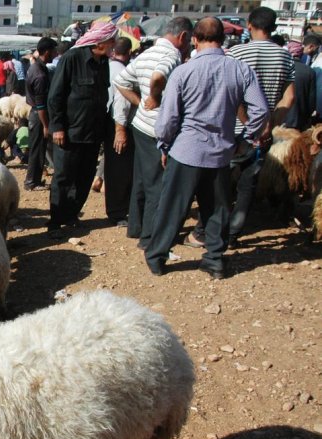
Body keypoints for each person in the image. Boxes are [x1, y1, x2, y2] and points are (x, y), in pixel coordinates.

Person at [144, 18, 269, 279]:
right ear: (222, 39)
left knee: (171, 208)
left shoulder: (183, 71)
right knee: (216, 210)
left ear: (194, 39)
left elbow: (167, 120)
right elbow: (261, 110)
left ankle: (157, 258)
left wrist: (164, 144)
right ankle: (214, 260)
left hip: (186, 151)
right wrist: (245, 139)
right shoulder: (240, 70)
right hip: (221, 153)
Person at [113, 17, 193, 249]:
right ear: (182, 37)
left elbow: (121, 82)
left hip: (140, 125)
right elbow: (158, 77)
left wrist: (139, 103)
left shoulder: (146, 54)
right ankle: (149, 237)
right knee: (157, 183)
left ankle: (136, 227)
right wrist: (154, 97)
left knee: (141, 179)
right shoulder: (171, 56)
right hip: (158, 128)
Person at [224, 7, 295, 248]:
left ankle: (215, 229)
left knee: (223, 180)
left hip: (233, 129)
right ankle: (234, 233)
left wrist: (249, 123)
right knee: (248, 182)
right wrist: (269, 124)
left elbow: (230, 95)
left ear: (249, 25)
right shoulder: (285, 56)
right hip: (263, 134)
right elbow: (289, 98)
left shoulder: (236, 52)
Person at [46, 22, 118, 235]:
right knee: (64, 176)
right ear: (100, 42)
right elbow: (55, 96)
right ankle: (56, 222)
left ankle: (71, 215)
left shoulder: (103, 61)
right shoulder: (72, 58)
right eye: (111, 40)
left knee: (85, 177)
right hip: (70, 132)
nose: (114, 44)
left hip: (93, 132)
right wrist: (57, 127)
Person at [104, 36, 135, 227]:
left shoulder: (105, 66)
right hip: (119, 123)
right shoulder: (124, 72)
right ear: (129, 52)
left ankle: (117, 208)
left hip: (108, 120)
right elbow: (121, 102)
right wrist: (120, 130)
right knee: (120, 168)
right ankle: (118, 211)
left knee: (113, 167)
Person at [24, 37, 58, 191]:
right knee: (37, 150)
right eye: (54, 50)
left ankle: (35, 179)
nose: (56, 53)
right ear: (47, 51)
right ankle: (32, 182)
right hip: (39, 116)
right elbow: (41, 105)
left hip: (36, 113)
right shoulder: (40, 75)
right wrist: (46, 125)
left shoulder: (36, 67)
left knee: (39, 148)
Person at [284, 41, 316, 130]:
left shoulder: (281, 68)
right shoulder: (309, 71)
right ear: (301, 54)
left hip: (279, 119)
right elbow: (311, 102)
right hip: (299, 122)